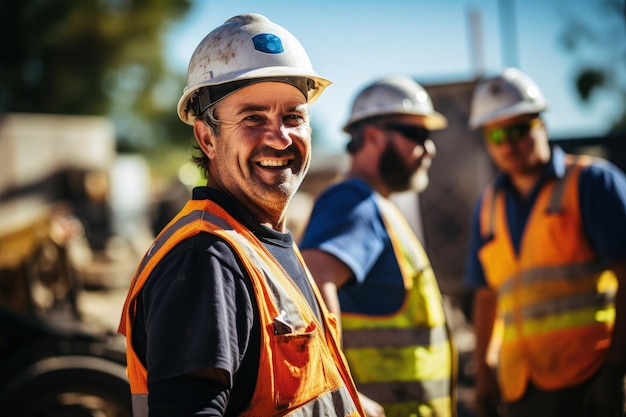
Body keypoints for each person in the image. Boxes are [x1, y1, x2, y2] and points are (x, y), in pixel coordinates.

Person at [117, 13, 366, 417]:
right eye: (253, 118)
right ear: (207, 138)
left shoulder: (260, 242)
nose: (280, 137)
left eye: (293, 117)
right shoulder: (206, 260)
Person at [463, 67, 626, 417]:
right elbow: (486, 294)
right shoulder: (488, 206)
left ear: (542, 124)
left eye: (519, 129)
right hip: (521, 387)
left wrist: (616, 369)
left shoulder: (591, 182)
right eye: (496, 136)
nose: (508, 144)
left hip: (589, 379)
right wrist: (484, 377)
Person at [299, 76, 457, 417]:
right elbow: (310, 280)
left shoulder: (376, 204)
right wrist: (341, 390)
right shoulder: (352, 200)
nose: (429, 149)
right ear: (372, 135)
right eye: (417, 135)